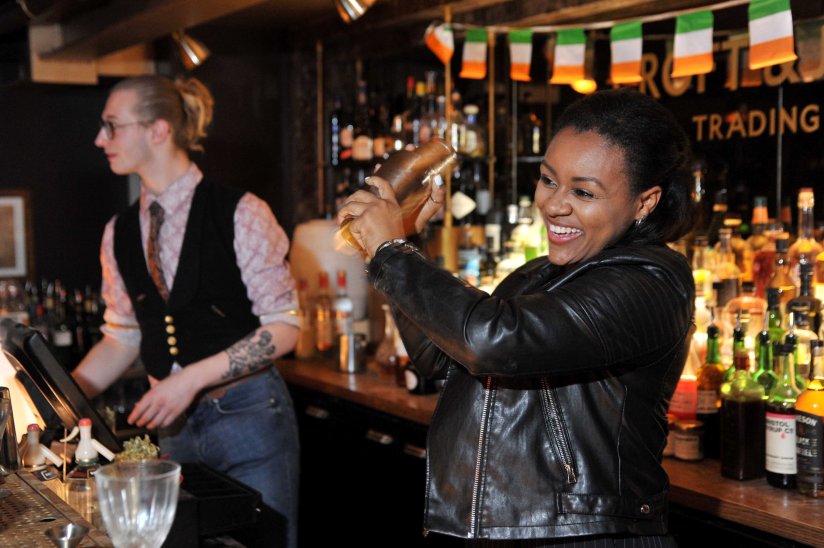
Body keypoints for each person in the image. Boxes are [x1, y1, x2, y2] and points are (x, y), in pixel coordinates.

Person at [338, 88, 695, 546]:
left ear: (644, 202)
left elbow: (493, 341)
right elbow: (440, 358)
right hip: (500, 531)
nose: (553, 204)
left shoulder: (652, 282)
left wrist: (392, 254)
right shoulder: (540, 275)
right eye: (548, 180)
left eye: (583, 191)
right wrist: (408, 244)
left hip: (582, 537)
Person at [73, 75, 300, 547]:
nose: (100, 139)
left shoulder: (243, 211)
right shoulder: (117, 232)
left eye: (112, 126)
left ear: (158, 130)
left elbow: (285, 327)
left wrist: (191, 378)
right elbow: (123, 336)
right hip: (174, 432)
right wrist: (61, 396)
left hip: (248, 416)